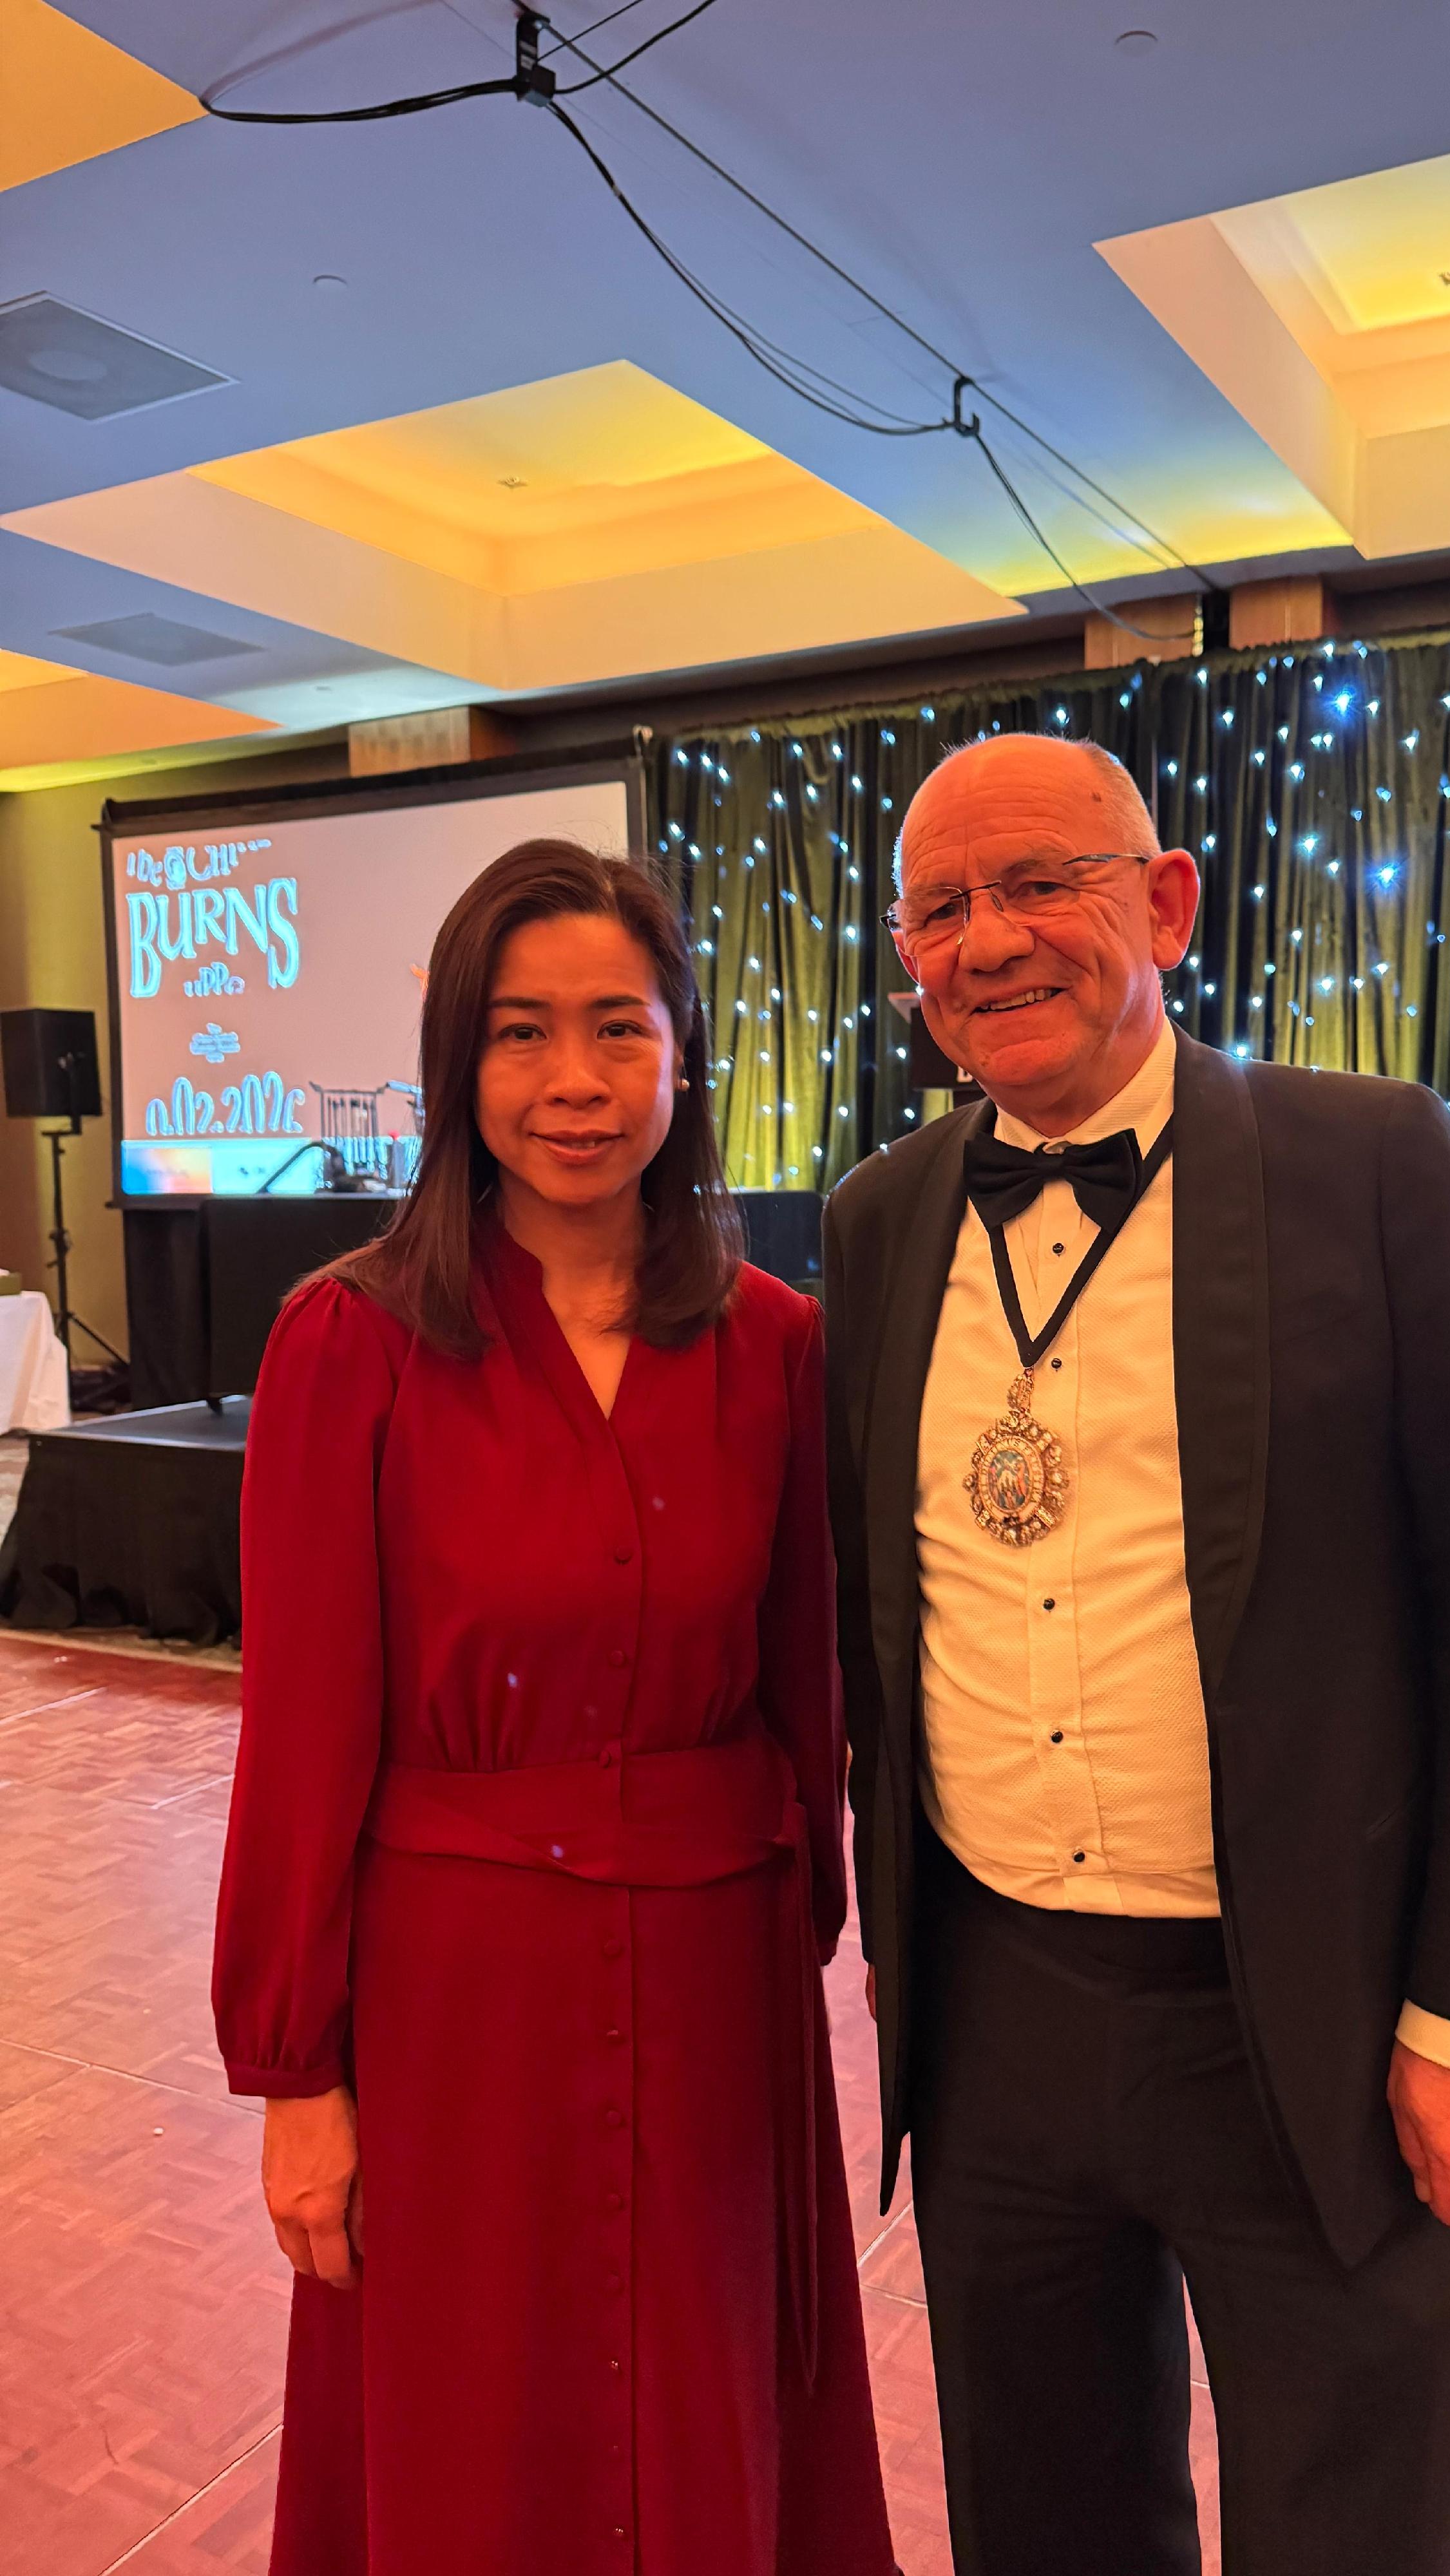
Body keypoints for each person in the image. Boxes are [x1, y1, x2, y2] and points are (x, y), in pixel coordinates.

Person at [821, 734, 1450, 2575]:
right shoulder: (875, 1221)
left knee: (1349, 2521)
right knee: (1047, 2514)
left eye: (1038, 884)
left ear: (1163, 901)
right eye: (938, 908)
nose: (986, 938)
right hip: (993, 2007)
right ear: (908, 965)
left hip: (1303, 2014)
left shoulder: (1370, 1164)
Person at [213, 838, 897, 2576]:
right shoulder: (347, 1343)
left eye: (616, 1028)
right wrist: (300, 2075)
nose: (573, 1083)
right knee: (468, 2418)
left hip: (717, 1980)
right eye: (521, 1034)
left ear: (683, 1052)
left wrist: (791, 1933)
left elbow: (808, 1696)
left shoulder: (776, 1346)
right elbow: (298, 1738)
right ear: (459, 1064)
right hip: (452, 2000)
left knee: (710, 2400)